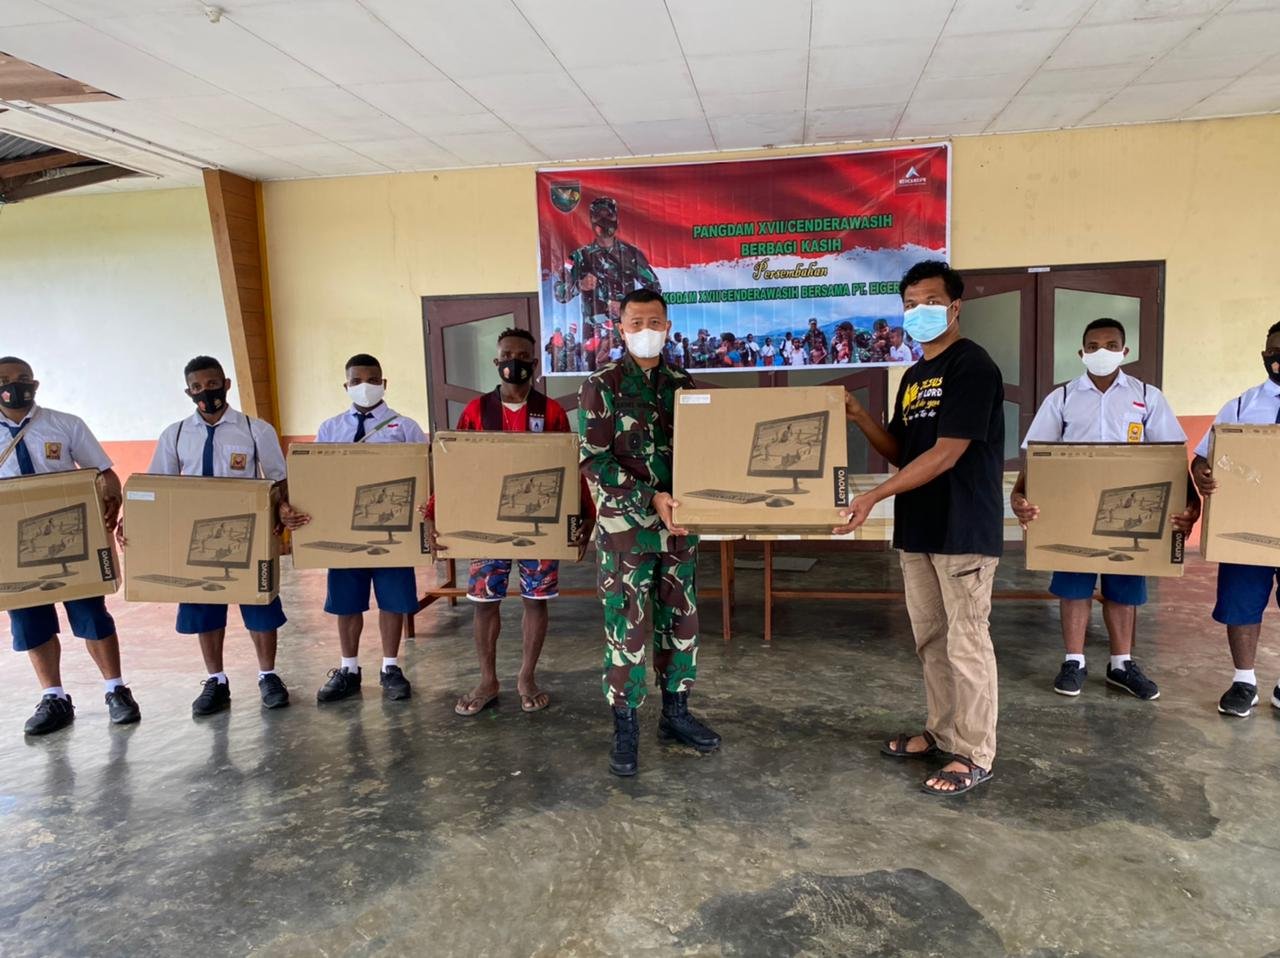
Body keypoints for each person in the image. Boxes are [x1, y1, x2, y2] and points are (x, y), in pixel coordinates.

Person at [837, 261, 1003, 796]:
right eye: (910, 305)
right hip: (919, 528)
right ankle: (942, 732)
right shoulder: (912, 377)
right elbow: (902, 451)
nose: (919, 312)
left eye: (930, 302)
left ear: (955, 307)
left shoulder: (972, 366)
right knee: (932, 639)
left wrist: (872, 497)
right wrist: (861, 418)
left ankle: (974, 753)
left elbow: (948, 453)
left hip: (963, 529)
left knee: (967, 642)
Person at [1010, 319, 1199, 701]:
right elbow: (1038, 453)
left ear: (1124, 352)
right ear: (1081, 353)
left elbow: (1172, 455)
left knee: (1124, 586)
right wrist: (1019, 493)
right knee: (1073, 586)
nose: (1102, 352)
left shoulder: (1146, 397)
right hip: (1073, 506)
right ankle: (1074, 660)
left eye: (1111, 345)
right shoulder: (1063, 398)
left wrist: (1191, 502)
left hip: (1130, 505)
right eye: (1093, 346)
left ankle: (1121, 664)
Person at [578, 289, 720, 777]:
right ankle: (626, 725)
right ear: (620, 329)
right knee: (628, 628)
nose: (645, 331)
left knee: (681, 620)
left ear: (668, 326)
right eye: (635, 323)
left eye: (654, 322)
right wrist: (650, 496)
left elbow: (701, 451)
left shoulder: (684, 385)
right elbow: (594, 460)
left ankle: (675, 714)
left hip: (679, 526)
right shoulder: (602, 385)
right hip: (627, 531)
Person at [427, 328, 592, 716]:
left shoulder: (550, 412)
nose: (512, 362)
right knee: (485, 601)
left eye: (521, 356)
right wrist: (435, 513)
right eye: (506, 355)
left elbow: (569, 466)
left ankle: (526, 677)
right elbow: (456, 467)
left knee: (536, 600)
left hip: (539, 523)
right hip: (486, 524)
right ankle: (487, 679)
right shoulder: (476, 411)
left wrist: (586, 514)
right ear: (496, 360)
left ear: (534, 363)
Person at [140, 356, 306, 716]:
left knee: (260, 604)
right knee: (206, 606)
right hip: (196, 536)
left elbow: (279, 480)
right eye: (197, 387)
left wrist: (281, 509)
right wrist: (142, 528)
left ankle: (268, 675)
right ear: (188, 391)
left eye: (212, 384)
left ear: (226, 384)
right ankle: (216, 680)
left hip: (248, 532)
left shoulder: (254, 430)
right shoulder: (176, 434)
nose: (206, 392)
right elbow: (158, 486)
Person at [0, 357, 141, 735]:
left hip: (69, 536)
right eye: (4, 380)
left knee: (91, 614)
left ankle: (116, 689)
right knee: (29, 622)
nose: (14, 385)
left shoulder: (65, 424)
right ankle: (54, 698)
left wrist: (112, 499)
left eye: (22, 378)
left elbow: (103, 472)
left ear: (35, 384)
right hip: (12, 548)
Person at [294, 353, 426, 705]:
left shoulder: (405, 428)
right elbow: (314, 479)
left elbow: (423, 477)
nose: (364, 386)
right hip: (344, 532)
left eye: (372, 380)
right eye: (356, 381)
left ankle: (390, 667)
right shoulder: (330, 429)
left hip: (391, 531)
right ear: (346, 385)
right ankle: (348, 669)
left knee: (393, 600)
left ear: (384, 384)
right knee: (347, 602)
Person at [1190, 320, 1280, 717]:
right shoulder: (1242, 405)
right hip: (1247, 528)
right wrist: (1202, 475)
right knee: (1241, 602)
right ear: (1264, 355)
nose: (1277, 357)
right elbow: (1202, 458)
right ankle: (1244, 681)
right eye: (1273, 350)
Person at [553, 196, 662, 371]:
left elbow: (655, 289)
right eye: (598, 216)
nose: (604, 221)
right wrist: (579, 285)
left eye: (608, 215)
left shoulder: (630, 254)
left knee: (632, 377)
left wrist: (627, 306)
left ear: (616, 219)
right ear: (591, 220)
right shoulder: (580, 257)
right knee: (596, 381)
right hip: (593, 337)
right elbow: (559, 294)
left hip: (627, 332)